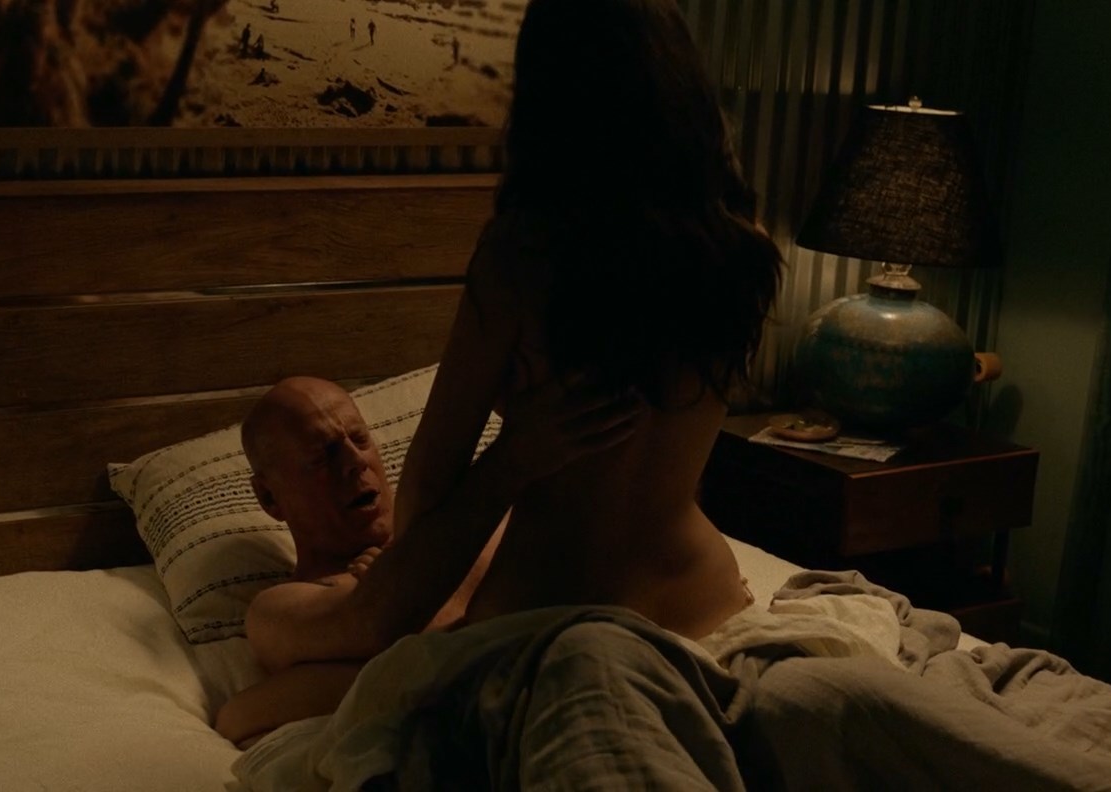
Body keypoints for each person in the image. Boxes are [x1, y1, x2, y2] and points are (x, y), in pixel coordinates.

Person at [396, 0, 781, 642]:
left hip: (551, 611)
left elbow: (425, 493)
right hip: (707, 608)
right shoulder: (743, 249)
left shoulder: (523, 258)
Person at [211, 376, 642, 745]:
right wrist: (511, 460)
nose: (355, 462)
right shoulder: (281, 608)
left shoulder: (485, 520)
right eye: (322, 456)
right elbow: (374, 622)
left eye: (359, 439)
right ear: (269, 497)